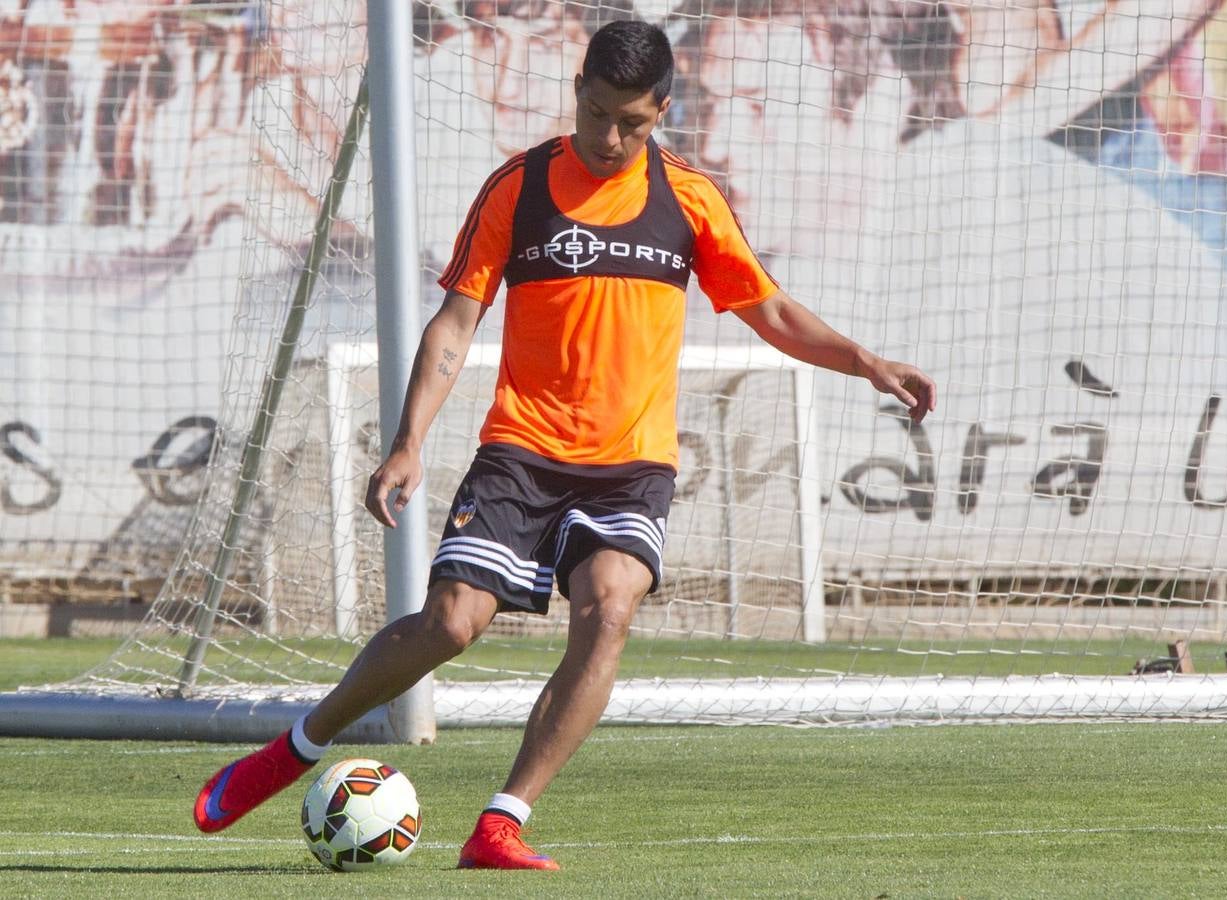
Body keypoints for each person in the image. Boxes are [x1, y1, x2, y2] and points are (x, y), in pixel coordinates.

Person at [192, 20, 936, 870]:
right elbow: (456, 321)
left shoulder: (689, 198)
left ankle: (501, 821)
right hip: (521, 451)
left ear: (663, 109)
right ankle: (295, 748)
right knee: (449, 623)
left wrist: (863, 361)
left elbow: (769, 311)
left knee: (609, 608)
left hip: (631, 466)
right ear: (576, 87)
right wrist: (406, 442)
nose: (609, 137)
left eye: (632, 123)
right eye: (595, 113)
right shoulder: (520, 186)